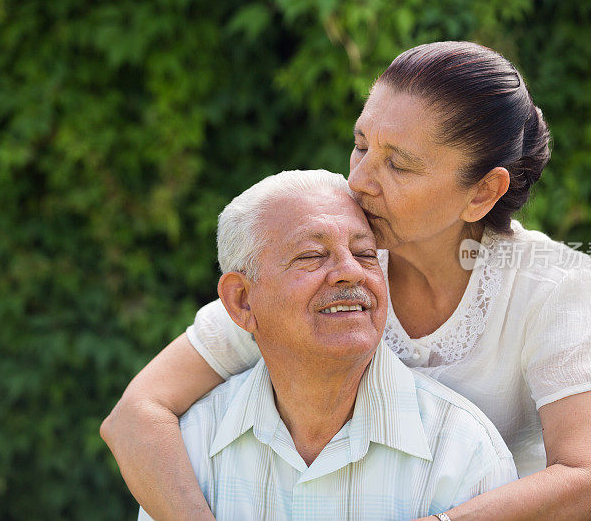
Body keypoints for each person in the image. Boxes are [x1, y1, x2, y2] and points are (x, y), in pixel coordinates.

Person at [102, 41, 591, 520]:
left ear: (482, 192)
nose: (359, 180)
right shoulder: (337, 269)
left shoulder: (550, 285)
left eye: (399, 164)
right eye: (361, 144)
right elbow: (135, 415)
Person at [137, 169, 516, 520]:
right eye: (312, 256)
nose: (351, 270)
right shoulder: (188, 450)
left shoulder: (464, 451)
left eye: (366, 254)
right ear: (242, 301)